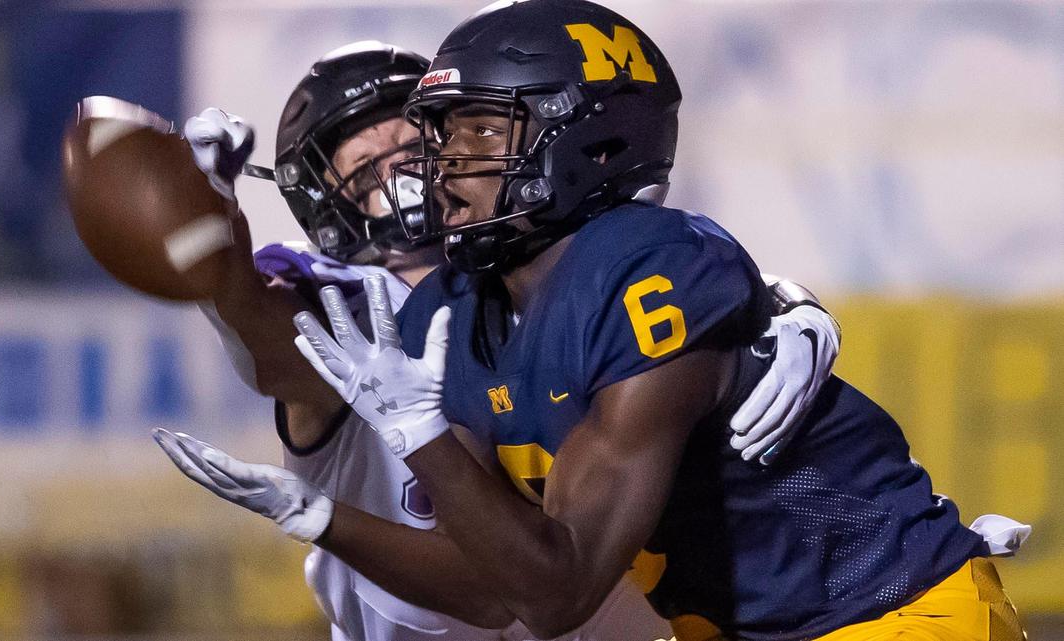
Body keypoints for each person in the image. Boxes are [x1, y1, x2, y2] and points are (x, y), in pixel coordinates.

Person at [284, 2, 1028, 640]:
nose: (444, 162)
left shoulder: (648, 267)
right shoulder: (454, 308)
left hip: (889, 612)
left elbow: (556, 591)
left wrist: (419, 434)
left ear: (590, 140)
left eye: (479, 131)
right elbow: (496, 584)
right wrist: (319, 516)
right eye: (441, 134)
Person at [159, 39, 846, 641]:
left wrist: (777, 303)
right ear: (325, 204)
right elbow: (255, 319)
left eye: (411, 149)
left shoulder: (555, 264)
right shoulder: (342, 305)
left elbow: (668, 278)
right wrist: (207, 219)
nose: (401, 179)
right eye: (366, 172)